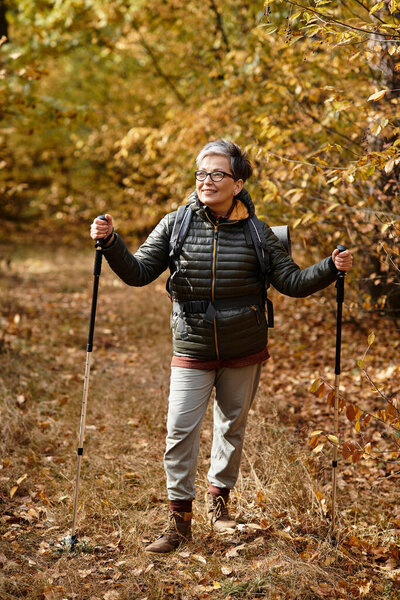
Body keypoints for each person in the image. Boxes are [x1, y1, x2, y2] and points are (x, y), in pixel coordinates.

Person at [90, 139, 353, 553]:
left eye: (217, 174)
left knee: (232, 427)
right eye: (201, 173)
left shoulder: (258, 232)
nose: (206, 181)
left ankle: (220, 504)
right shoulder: (176, 223)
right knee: (180, 430)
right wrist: (110, 244)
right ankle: (179, 522)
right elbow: (139, 272)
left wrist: (329, 268)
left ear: (238, 182)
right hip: (192, 346)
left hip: (244, 346)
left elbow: (292, 283)